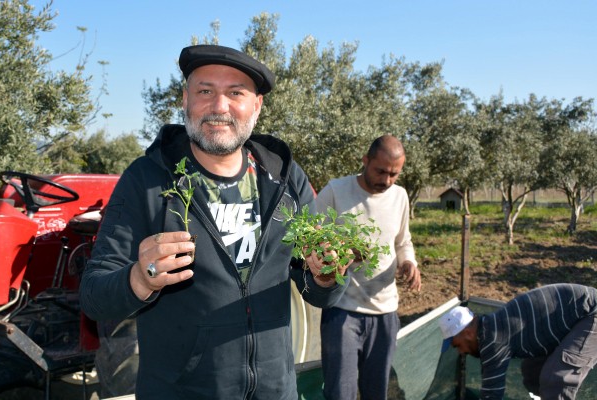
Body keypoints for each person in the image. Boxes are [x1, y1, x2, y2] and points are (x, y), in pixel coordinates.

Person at [79, 44, 349, 400]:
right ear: (185, 99)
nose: (219, 107)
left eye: (235, 93)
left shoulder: (285, 179)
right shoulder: (147, 179)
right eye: (205, 91)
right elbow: (94, 297)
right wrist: (138, 278)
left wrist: (327, 276)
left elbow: (318, 290)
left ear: (256, 106)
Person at [315, 134, 422, 400]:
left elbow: (402, 241)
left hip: (385, 314)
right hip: (342, 312)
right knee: (341, 392)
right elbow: (311, 238)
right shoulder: (336, 192)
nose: (386, 180)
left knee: (377, 392)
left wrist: (409, 261)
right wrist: (343, 252)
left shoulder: (399, 196)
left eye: (394, 174)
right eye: (381, 171)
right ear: (365, 161)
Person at [439, 283, 597, 400]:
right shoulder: (490, 328)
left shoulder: (492, 338)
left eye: (457, 345)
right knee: (532, 371)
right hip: (574, 317)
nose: (461, 351)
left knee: (556, 378)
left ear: (467, 332)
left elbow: (492, 394)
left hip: (591, 313)